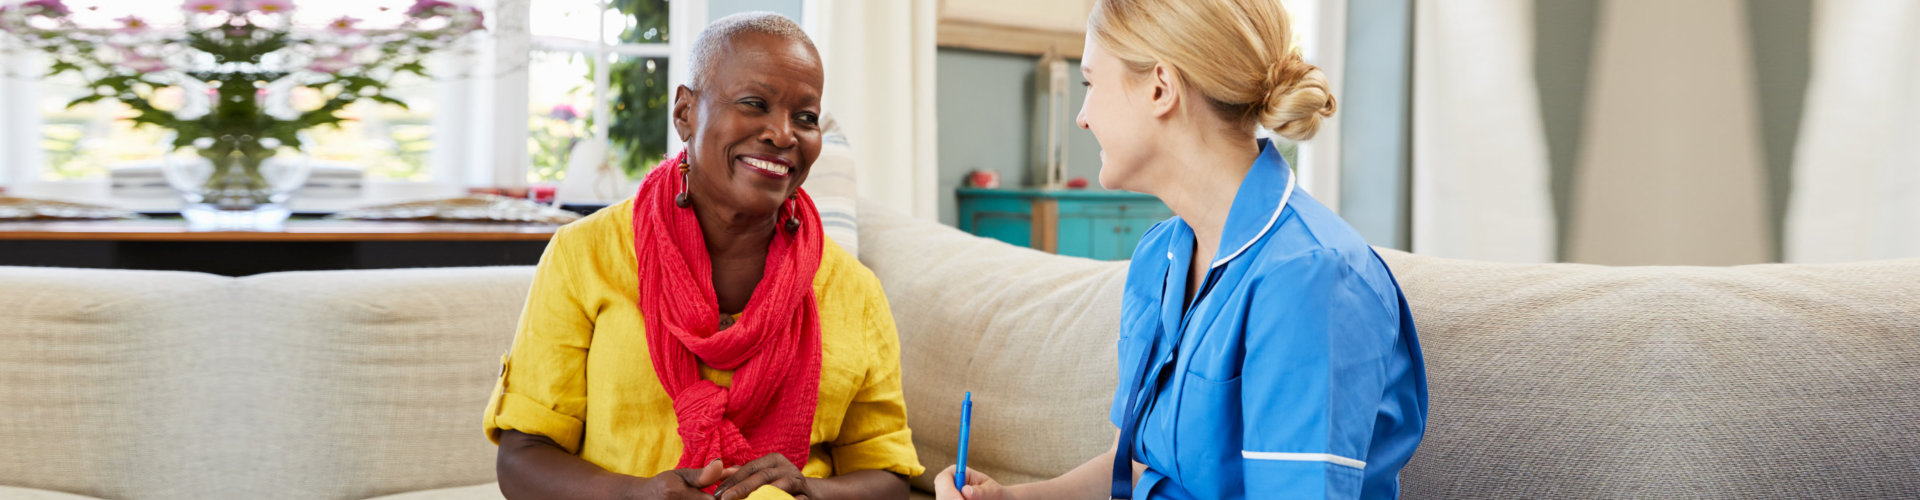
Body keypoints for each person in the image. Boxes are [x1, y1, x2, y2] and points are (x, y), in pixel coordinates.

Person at [935, 0, 1428, 498]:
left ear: (1160, 88)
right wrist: (1009, 498)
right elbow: (1131, 466)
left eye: (1090, 83)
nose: (1082, 118)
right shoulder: (1159, 257)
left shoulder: (1311, 279)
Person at [485, 12, 921, 500]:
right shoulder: (585, 255)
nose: (783, 134)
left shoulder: (853, 291)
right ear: (685, 113)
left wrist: (810, 491)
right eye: (755, 104)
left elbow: (889, 476)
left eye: (806, 117)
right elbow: (521, 459)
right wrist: (636, 495)